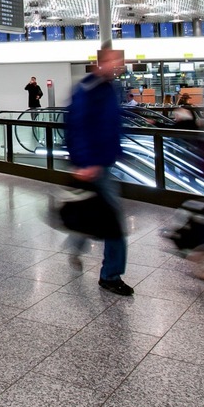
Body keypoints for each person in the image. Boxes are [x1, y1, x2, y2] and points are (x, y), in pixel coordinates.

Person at [65, 48, 134, 297]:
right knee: (115, 224)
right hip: (94, 163)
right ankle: (110, 276)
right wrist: (84, 162)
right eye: (114, 61)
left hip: (104, 161)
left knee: (95, 210)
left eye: (120, 62)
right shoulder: (87, 89)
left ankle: (77, 241)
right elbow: (77, 126)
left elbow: (112, 122)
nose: (118, 66)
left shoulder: (110, 88)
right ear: (100, 62)